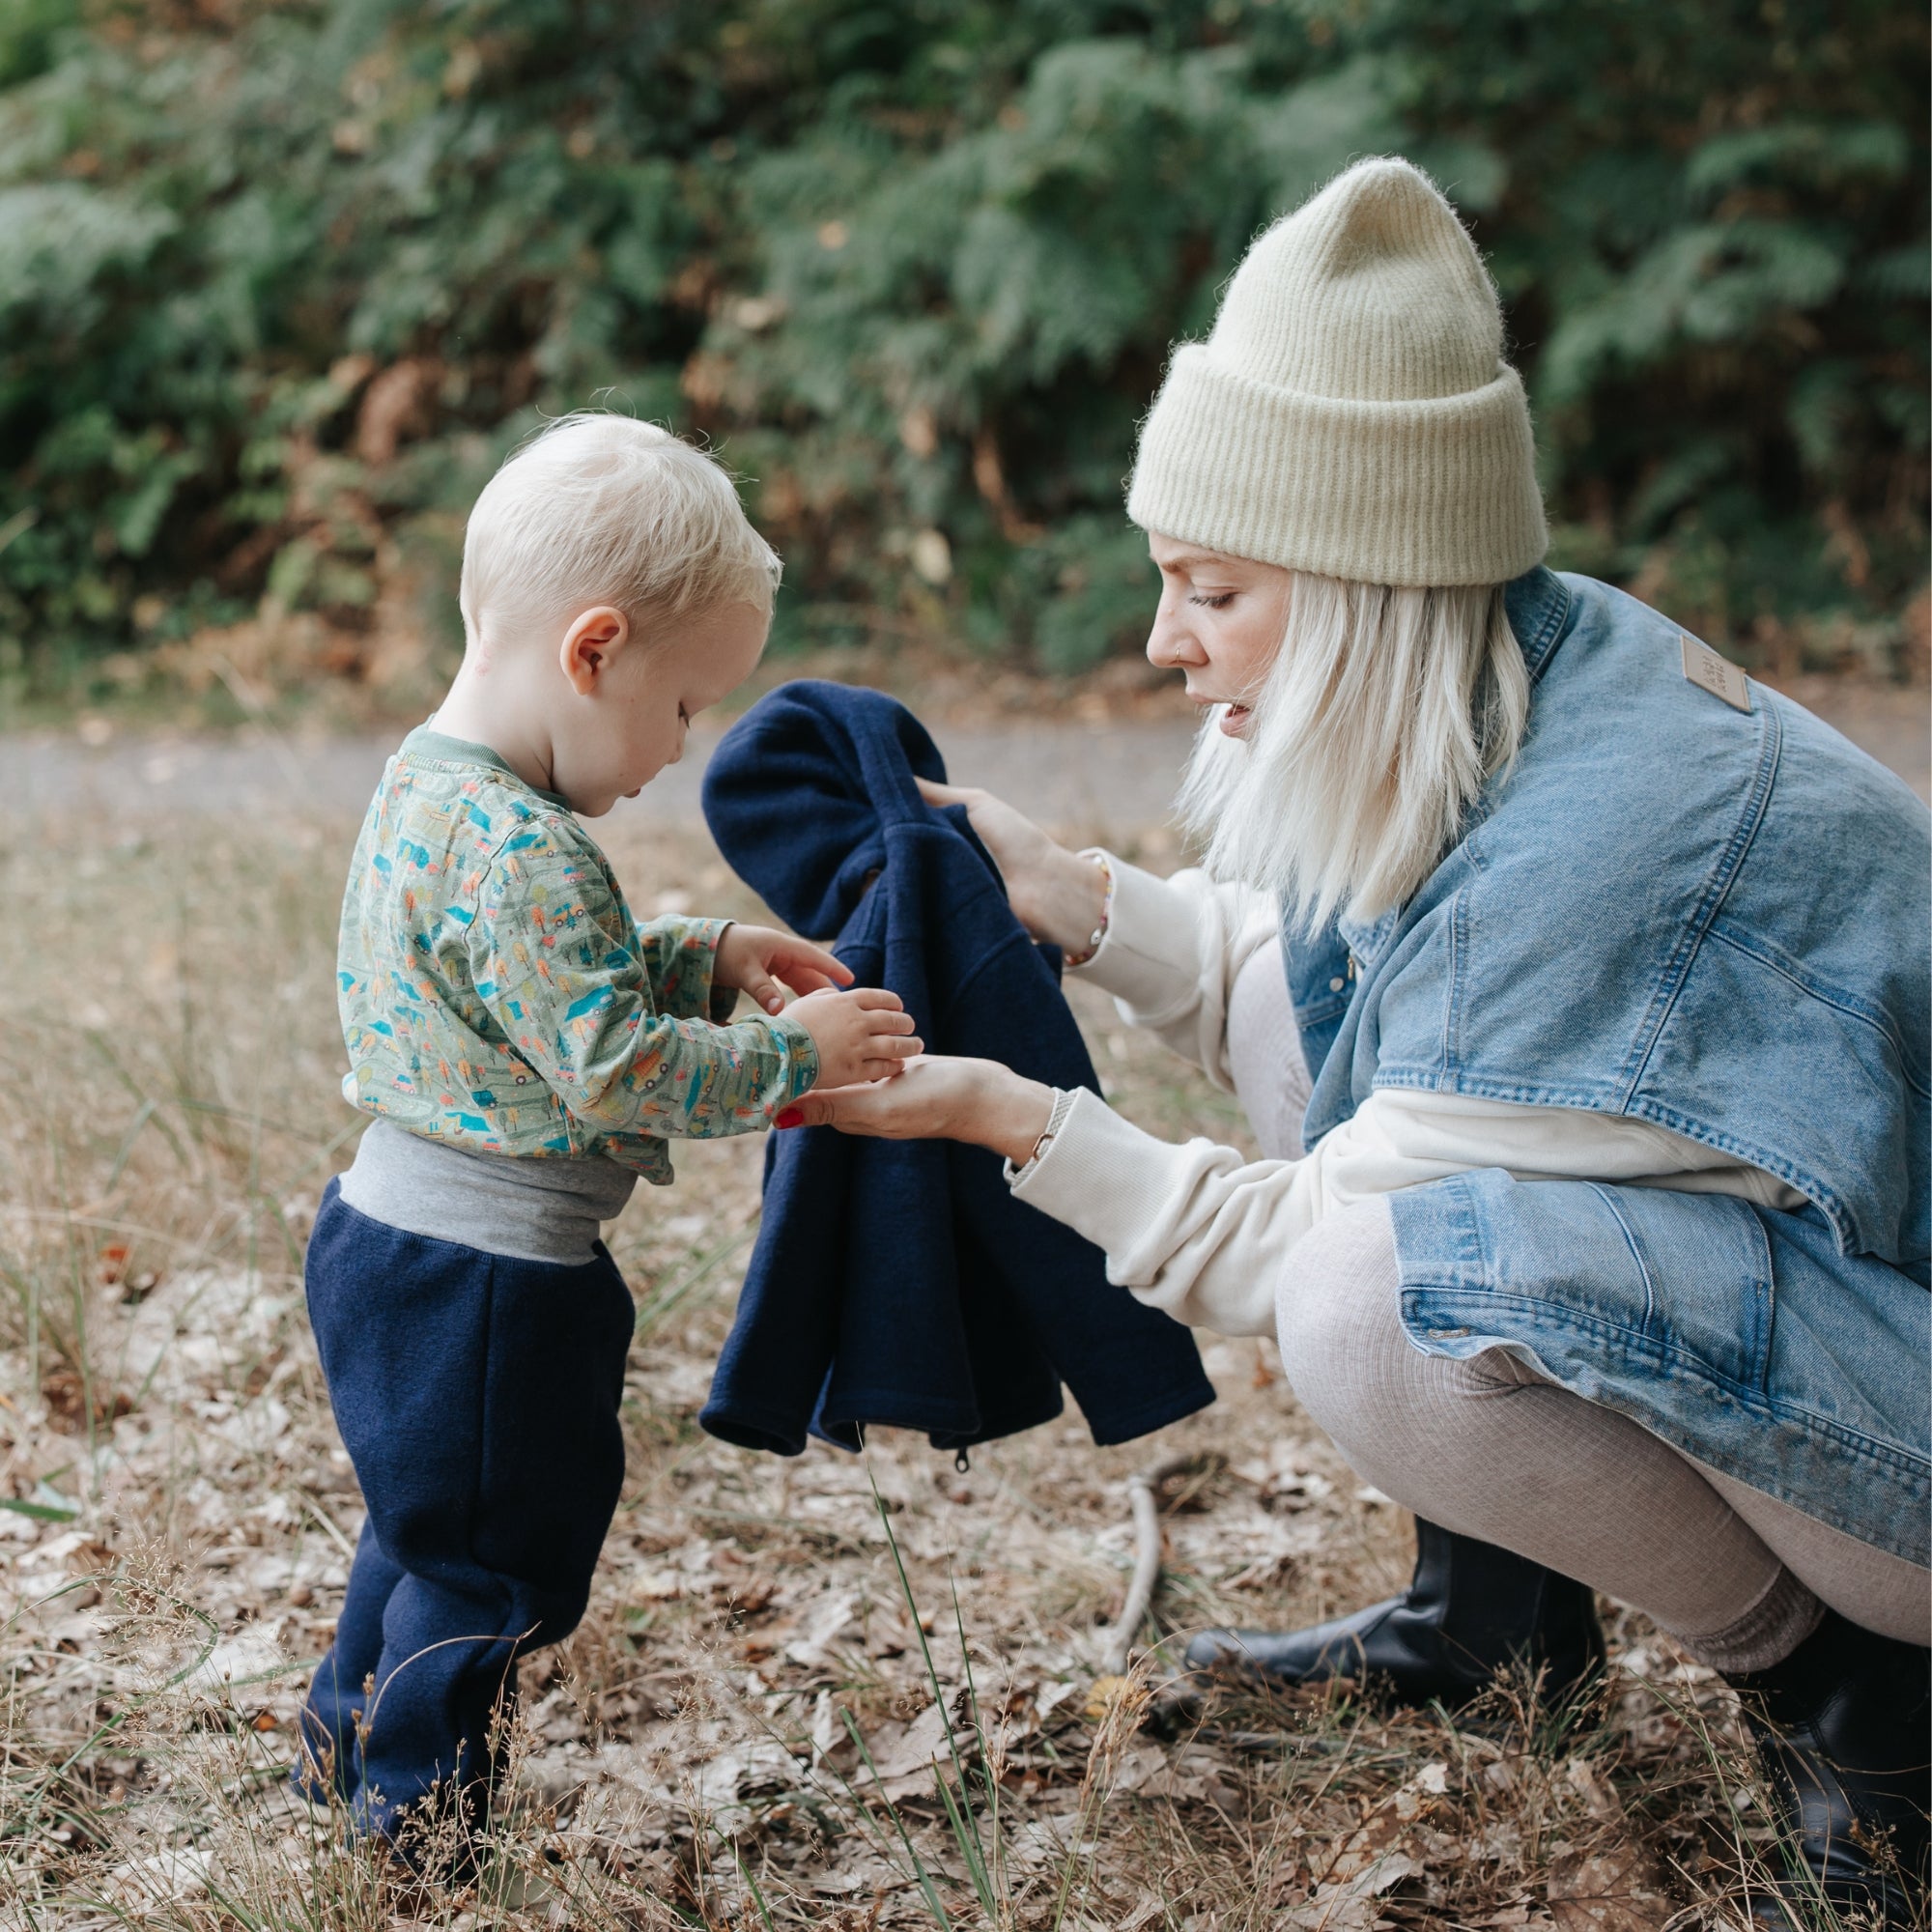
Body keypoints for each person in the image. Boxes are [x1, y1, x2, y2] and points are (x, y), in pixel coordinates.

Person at [779, 159, 1931, 1926]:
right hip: (1873, 1322)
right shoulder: (1507, 675)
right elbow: (1321, 994)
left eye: (1210, 590)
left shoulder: (1582, 863)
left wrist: (1015, 1121)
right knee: (1327, 1048)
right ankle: (1497, 1619)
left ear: (1364, 574)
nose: (1163, 642)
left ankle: (1866, 1710)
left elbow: (1309, 1248)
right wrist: (1075, 897)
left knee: (1370, 1300)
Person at [296, 415, 921, 1853]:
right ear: (594, 651)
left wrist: (697, 950)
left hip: (392, 1243)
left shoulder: (433, 788)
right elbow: (615, 1072)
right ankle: (417, 1825)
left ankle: (343, 1751)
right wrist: (784, 1056)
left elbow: (523, 981)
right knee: (496, 1558)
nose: (682, 747)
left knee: (420, 1529)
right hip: (487, 1282)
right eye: (689, 705)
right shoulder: (529, 844)